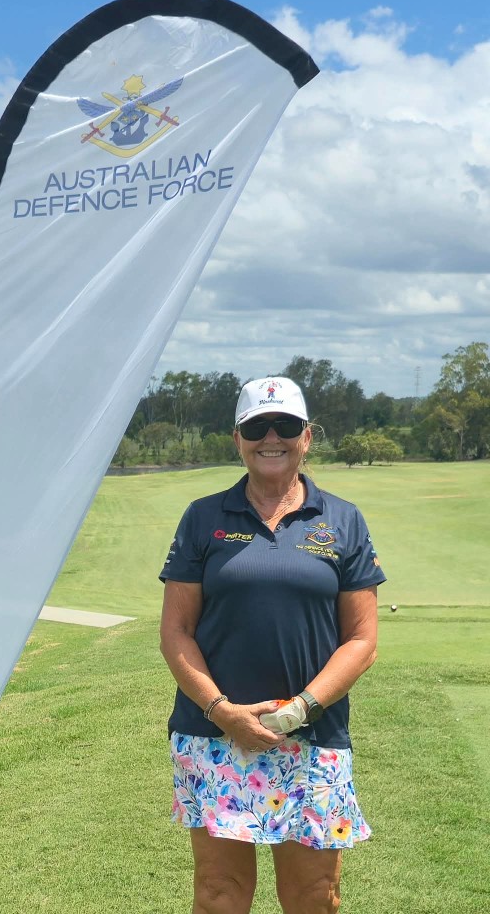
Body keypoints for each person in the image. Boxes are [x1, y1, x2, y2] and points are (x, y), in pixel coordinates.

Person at [159, 376, 386, 914]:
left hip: (314, 734)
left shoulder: (343, 520)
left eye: (284, 425)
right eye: (257, 426)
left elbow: (362, 640)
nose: (271, 437)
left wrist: (300, 709)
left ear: (307, 436)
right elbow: (176, 633)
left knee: (315, 897)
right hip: (214, 735)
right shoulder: (203, 518)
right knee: (219, 895)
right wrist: (224, 712)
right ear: (237, 438)